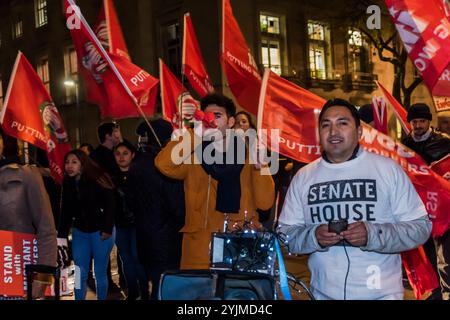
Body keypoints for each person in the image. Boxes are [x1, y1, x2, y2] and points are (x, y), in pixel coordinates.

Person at [277, 99, 431, 300]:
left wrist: (372, 234)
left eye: (342, 123)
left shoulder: (387, 169)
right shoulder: (304, 177)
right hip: (323, 293)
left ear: (359, 132)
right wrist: (314, 236)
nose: (333, 131)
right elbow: (284, 236)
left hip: (382, 294)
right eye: (326, 124)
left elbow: (420, 228)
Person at [155, 93, 275, 270]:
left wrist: (261, 167)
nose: (210, 120)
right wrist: (194, 135)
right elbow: (163, 165)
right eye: (205, 116)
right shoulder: (192, 152)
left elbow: (265, 203)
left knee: (239, 296)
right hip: (199, 250)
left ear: (231, 122)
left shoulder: (250, 153)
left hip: (240, 242)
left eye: (217, 116)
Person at [128, 118, 185, 299]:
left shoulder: (136, 164)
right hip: (167, 238)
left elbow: (130, 201)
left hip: (144, 236)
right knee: (167, 288)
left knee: (156, 285)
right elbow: (176, 203)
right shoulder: (164, 165)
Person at [0, 128, 57, 299]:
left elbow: (46, 229)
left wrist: (43, 276)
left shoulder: (27, 176)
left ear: (4, 142)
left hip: (15, 274)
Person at [401, 103, 450, 300]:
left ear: (429, 121)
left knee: (444, 253)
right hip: (417, 206)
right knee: (424, 250)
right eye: (415, 122)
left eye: (422, 121)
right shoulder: (403, 144)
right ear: (410, 123)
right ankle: (434, 290)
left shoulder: (444, 142)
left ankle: (445, 289)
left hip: (440, 206)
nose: (419, 125)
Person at [58, 149, 116, 300]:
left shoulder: (98, 178)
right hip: (80, 233)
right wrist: (61, 237)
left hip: (101, 232)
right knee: (79, 272)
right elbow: (65, 211)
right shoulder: (67, 182)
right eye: (67, 162)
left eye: (74, 162)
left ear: (83, 164)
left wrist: (107, 228)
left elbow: (111, 204)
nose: (69, 166)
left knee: (100, 271)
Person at [90, 122, 124, 295]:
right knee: (104, 249)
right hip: (105, 208)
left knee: (122, 246)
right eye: (116, 131)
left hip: (120, 207)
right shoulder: (96, 156)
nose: (119, 134)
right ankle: (107, 283)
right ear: (109, 135)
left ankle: (123, 279)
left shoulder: (118, 153)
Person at [112, 140, 149, 300]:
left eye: (125, 153)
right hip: (120, 224)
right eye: (118, 154)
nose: (121, 157)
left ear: (132, 155)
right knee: (125, 258)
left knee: (137, 257)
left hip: (137, 224)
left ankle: (145, 291)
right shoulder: (111, 178)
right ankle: (133, 291)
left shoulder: (140, 175)